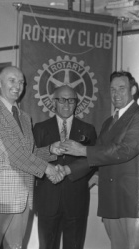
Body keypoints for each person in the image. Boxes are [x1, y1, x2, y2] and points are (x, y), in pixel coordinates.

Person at [61, 71, 139, 249]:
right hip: (112, 202)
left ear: (134, 89)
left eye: (122, 88)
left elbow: (125, 150)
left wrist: (83, 149)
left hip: (136, 203)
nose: (116, 93)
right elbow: (98, 157)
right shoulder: (108, 122)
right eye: (112, 89)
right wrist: (67, 170)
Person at [0, 66, 65, 249]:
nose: (18, 86)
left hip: (23, 198)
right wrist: (48, 169)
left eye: (21, 82)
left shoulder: (25, 117)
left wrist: (50, 150)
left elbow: (27, 154)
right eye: (12, 80)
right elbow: (11, 154)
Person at [33, 85, 97, 249]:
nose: (67, 104)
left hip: (76, 199)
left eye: (71, 100)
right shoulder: (40, 129)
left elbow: (91, 161)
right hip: (47, 199)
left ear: (76, 103)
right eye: (62, 100)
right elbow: (32, 158)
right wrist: (49, 170)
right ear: (54, 102)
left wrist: (68, 171)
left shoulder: (88, 130)